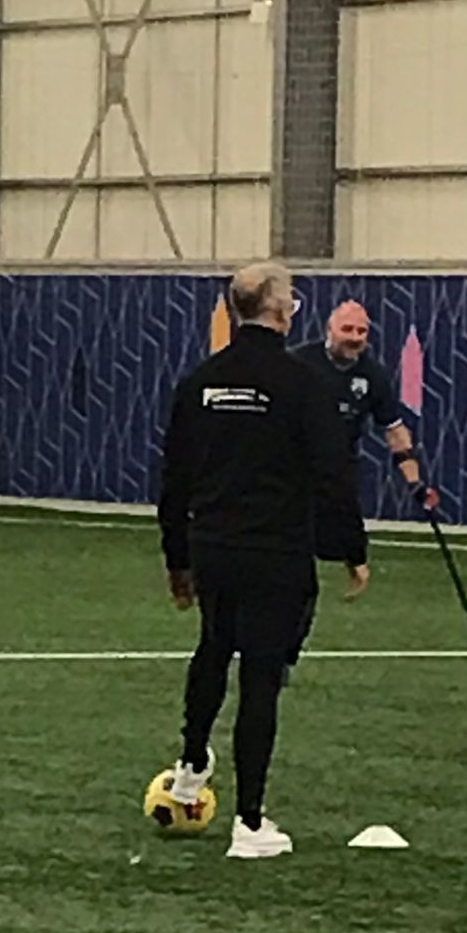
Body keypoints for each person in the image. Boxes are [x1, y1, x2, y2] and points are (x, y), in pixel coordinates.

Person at [158, 262, 369, 861]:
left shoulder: (200, 382)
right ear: (281, 310)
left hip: (214, 546)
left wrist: (177, 559)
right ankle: (250, 822)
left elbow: (174, 479)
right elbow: (332, 474)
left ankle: (192, 763)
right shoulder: (303, 385)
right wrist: (350, 548)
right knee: (261, 678)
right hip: (276, 551)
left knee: (213, 648)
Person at [293, 299, 437, 516]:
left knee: (346, 546)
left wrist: (415, 483)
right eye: (347, 329)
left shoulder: (373, 374)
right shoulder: (299, 362)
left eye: (361, 331)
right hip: (294, 473)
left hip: (339, 475)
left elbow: (395, 430)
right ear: (329, 330)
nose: (354, 337)